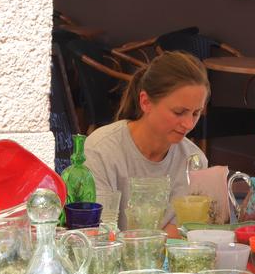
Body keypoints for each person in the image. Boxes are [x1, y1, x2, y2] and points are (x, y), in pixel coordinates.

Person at [85, 51, 209, 238]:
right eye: (178, 112)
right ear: (145, 102)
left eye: (196, 113)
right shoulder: (102, 149)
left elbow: (185, 232)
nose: (189, 124)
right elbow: (96, 231)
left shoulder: (195, 160)